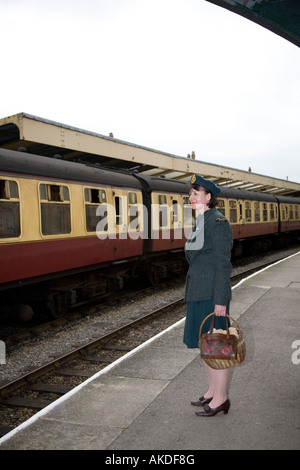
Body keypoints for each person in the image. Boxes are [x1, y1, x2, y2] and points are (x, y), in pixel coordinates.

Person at [183, 174, 233, 417]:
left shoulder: (218, 222)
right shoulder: (202, 219)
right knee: (206, 346)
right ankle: (213, 390)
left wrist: (221, 300)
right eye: (191, 193)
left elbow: (223, 264)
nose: (191, 197)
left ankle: (222, 398)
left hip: (212, 295)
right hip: (198, 292)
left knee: (217, 348)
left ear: (208, 197)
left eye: (195, 193)